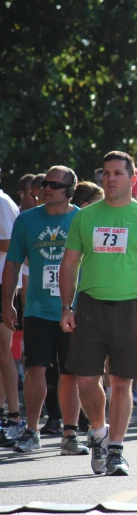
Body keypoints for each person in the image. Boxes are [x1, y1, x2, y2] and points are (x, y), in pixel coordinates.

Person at [60, 151, 137, 476]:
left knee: (122, 383)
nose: (110, 179)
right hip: (90, 306)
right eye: (106, 173)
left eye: (117, 173)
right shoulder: (85, 216)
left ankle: (117, 451)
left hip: (131, 308)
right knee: (85, 379)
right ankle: (98, 432)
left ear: (132, 179)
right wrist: (67, 306)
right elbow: (69, 263)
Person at [1, 166, 88, 455]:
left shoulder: (82, 219)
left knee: (70, 372)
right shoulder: (26, 220)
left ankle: (70, 434)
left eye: (53, 184)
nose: (45, 188)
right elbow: (12, 263)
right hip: (37, 307)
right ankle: (32, 430)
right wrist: (8, 303)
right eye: (44, 183)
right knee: (35, 368)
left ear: (69, 191)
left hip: (73, 309)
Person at [0, 172, 21, 448]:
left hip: (2, 283)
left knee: (3, 352)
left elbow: (12, 243)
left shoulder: (3, 202)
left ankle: (14, 416)